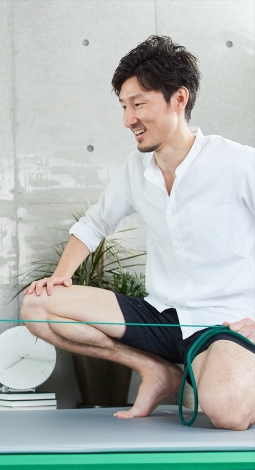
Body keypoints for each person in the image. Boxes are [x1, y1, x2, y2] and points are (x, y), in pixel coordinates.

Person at [21, 36, 255, 431]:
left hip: (223, 324)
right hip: (162, 317)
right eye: (124, 106)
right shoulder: (136, 169)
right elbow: (95, 223)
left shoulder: (239, 164)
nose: (128, 119)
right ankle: (155, 371)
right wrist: (61, 277)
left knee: (228, 412)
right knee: (38, 306)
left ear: (178, 100)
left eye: (139, 104)